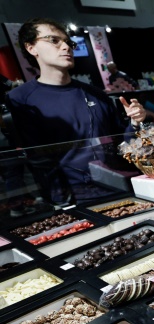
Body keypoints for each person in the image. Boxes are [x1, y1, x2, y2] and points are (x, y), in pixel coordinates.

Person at [7, 18, 146, 205]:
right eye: (54, 40)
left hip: (123, 190)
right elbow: (38, 160)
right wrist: (62, 203)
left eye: (68, 42)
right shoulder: (21, 99)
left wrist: (136, 122)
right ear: (31, 48)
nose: (66, 47)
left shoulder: (96, 94)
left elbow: (122, 143)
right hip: (76, 200)